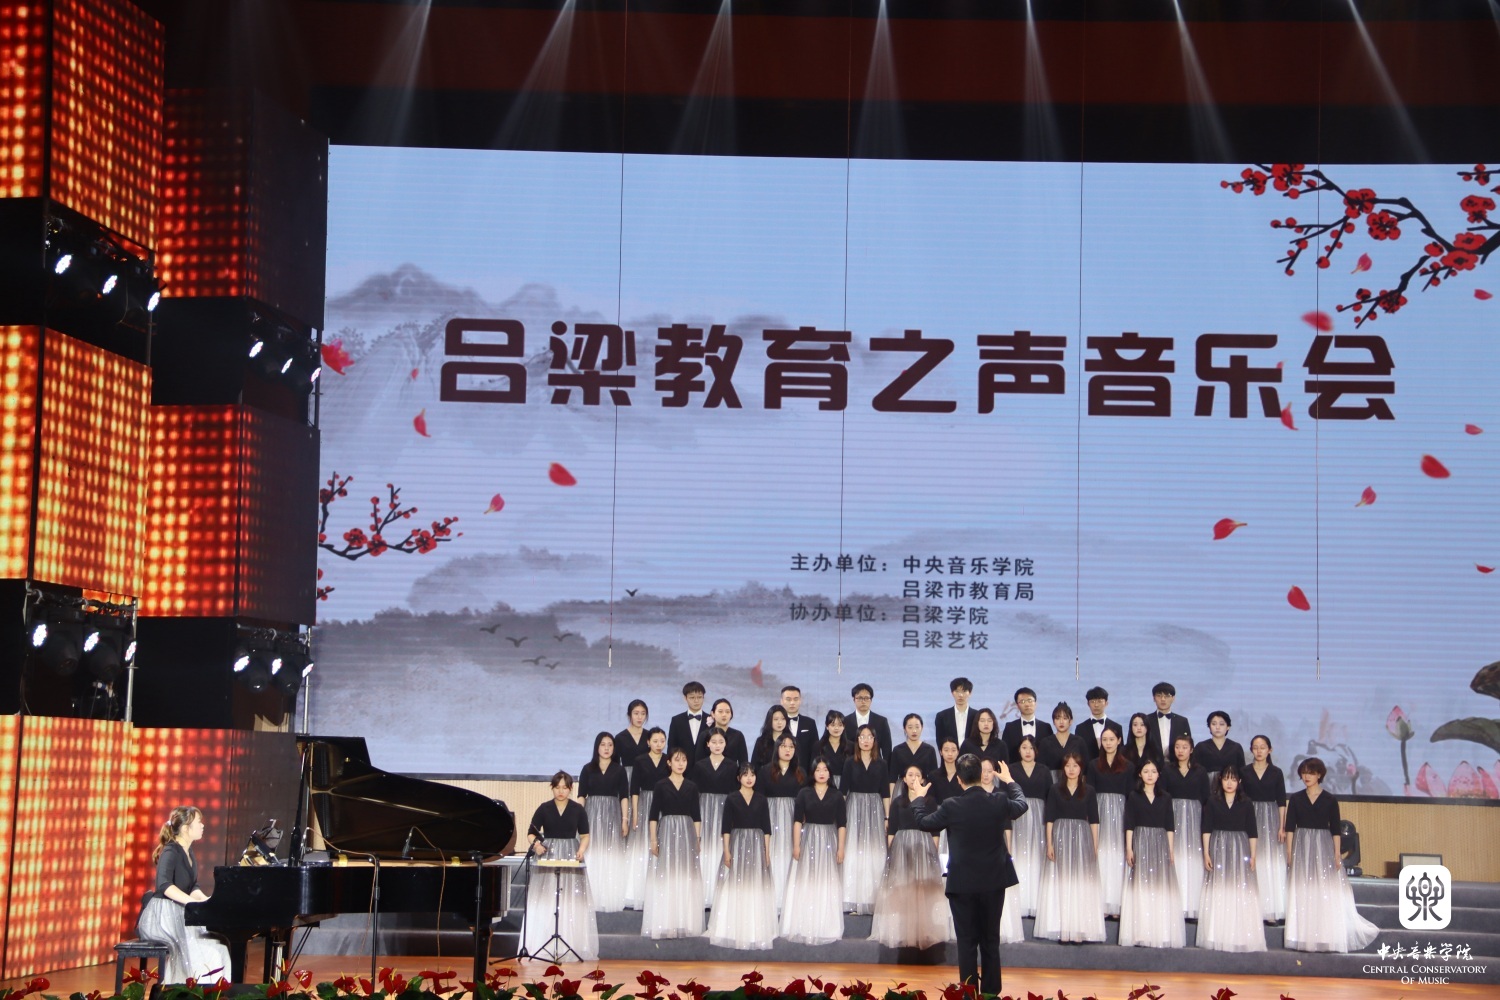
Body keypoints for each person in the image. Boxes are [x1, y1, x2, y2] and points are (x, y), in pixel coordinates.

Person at [912, 753, 1028, 994]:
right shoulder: (998, 800)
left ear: (959, 779)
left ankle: (968, 994)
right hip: (993, 882)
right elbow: (1021, 804)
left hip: (962, 884)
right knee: (990, 941)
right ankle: (991, 994)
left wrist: (919, 798)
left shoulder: (951, 805)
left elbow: (923, 822)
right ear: (980, 775)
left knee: (966, 943)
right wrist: (1010, 781)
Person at [1283, 757, 1379, 953]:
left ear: (1319, 775)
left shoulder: (1329, 799)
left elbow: (1335, 829)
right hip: (1302, 845)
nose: (1306, 776)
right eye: (1304, 772)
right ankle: (1303, 935)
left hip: (1323, 846)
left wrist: (1336, 853)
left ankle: (1325, 934)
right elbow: (1290, 828)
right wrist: (1289, 852)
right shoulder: (1296, 798)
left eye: (1311, 773)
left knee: (1323, 890)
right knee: (1303, 889)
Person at [136, 806, 233, 983]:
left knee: (220, 944)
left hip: (179, 911)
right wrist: (191, 903)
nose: (202, 825)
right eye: (199, 822)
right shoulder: (170, 851)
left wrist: (207, 901)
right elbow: (164, 885)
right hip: (163, 916)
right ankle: (187, 988)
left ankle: (216, 990)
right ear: (186, 828)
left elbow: (192, 886)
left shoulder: (189, 851)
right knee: (202, 950)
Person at [871, 763, 953, 948]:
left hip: (923, 846)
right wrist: (892, 852)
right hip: (902, 847)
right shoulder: (897, 802)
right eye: (910, 774)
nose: (913, 777)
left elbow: (935, 830)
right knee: (903, 888)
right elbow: (892, 830)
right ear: (904, 779)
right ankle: (903, 931)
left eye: (917, 774)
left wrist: (933, 849)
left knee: (922, 889)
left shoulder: (929, 802)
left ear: (923, 779)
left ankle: (923, 931)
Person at [523, 773, 599, 961]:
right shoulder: (544, 808)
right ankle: (543, 942)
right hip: (548, 853)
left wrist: (581, 850)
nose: (561, 791)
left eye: (565, 788)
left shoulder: (577, 809)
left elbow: (585, 835)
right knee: (546, 897)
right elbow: (531, 832)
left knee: (569, 897)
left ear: (570, 789)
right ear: (552, 788)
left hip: (570, 854)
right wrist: (537, 845)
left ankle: (570, 942)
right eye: (557, 787)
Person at [1033, 749, 1106, 944]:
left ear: (1081, 768)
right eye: (1068, 766)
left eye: (1075, 765)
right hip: (1060, 837)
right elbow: (1049, 819)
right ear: (1063, 769)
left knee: (1080, 883)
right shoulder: (1055, 789)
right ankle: (1063, 929)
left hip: (1082, 839)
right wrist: (1049, 844)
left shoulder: (1089, 790)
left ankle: (1079, 929)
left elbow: (1094, 821)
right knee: (1062, 883)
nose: (1071, 769)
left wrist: (1095, 845)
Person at [707, 763, 776, 950]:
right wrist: (727, 850)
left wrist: (767, 851)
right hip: (737, 844)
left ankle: (755, 930)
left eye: (752, 774)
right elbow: (726, 828)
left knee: (755, 884)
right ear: (739, 778)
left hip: (757, 845)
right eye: (745, 774)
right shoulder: (732, 798)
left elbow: (767, 828)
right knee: (735, 884)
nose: (749, 778)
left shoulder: (761, 799)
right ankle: (732, 929)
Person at [1197, 764, 1265, 953]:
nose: (1229, 783)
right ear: (1220, 780)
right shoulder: (1212, 801)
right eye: (1226, 778)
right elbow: (1206, 829)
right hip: (1218, 846)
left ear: (1239, 782)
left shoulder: (1246, 802)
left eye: (1233, 779)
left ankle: (1240, 935)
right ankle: (1217, 934)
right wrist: (1206, 852)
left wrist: (1253, 855)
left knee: (1239, 889)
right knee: (1219, 889)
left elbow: (1252, 831)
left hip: (1240, 847)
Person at [1118, 759, 1185, 948]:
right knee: (1141, 887)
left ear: (1158, 775)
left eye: (1153, 771)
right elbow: (1129, 824)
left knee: (1160, 886)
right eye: (1146, 771)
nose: (1150, 775)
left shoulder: (1166, 797)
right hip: (1140, 842)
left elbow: (1170, 825)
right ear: (1140, 774)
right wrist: (1129, 848)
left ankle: (1160, 933)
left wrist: (1170, 850)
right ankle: (1141, 933)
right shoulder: (1134, 796)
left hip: (1160, 844)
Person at [780, 757, 847, 944]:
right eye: (818, 770)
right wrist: (796, 845)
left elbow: (842, 824)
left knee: (827, 881)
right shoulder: (804, 793)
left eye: (825, 770)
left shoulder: (837, 795)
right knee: (807, 881)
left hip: (829, 840)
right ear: (812, 773)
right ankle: (805, 924)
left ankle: (827, 926)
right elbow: (796, 821)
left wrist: (841, 848)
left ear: (830, 773)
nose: (822, 773)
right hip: (808, 838)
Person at [642, 748, 703, 939]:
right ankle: (666, 923)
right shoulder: (660, 785)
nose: (680, 763)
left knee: (685, 876)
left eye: (684, 760)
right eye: (677, 760)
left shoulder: (692, 786)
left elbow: (697, 816)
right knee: (666, 875)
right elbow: (653, 816)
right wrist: (653, 839)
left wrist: (697, 839)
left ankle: (685, 922)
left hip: (687, 833)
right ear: (669, 763)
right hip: (667, 831)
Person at [577, 732, 631, 912]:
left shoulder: (619, 770)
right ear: (597, 747)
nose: (606, 748)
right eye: (603, 744)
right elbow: (581, 796)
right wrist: (578, 818)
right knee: (592, 852)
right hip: (591, 813)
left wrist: (624, 820)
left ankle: (609, 896)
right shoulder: (587, 769)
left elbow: (624, 797)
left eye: (610, 745)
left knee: (611, 854)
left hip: (613, 814)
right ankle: (591, 896)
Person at [840, 724, 890, 915]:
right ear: (857, 740)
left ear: (875, 740)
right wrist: (840, 815)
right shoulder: (849, 762)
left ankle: (872, 899)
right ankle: (852, 898)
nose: (866, 740)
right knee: (853, 850)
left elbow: (885, 792)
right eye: (862, 736)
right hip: (854, 808)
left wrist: (887, 816)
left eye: (870, 736)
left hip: (875, 809)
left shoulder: (882, 763)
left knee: (874, 852)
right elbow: (843, 791)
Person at [1087, 727, 1135, 917]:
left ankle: (1116, 904)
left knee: (1117, 856)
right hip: (1098, 812)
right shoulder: (1093, 764)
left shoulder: (1128, 766)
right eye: (1104, 739)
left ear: (1119, 740)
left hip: (1120, 812)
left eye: (1111, 739)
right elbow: (1089, 792)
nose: (1108, 743)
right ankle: (1100, 904)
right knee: (1100, 854)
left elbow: (1131, 794)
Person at [1241, 734, 1288, 925]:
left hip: (1271, 819)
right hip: (1249, 817)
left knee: (1270, 863)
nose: (1259, 751)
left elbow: (1281, 801)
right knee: (1252, 862)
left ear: (1270, 750)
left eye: (1262, 747)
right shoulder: (1244, 771)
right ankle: (1252, 910)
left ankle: (1271, 909)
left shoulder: (1276, 772)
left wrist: (1282, 826)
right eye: (1255, 747)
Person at [1161, 734, 1209, 920]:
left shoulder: (1200, 771)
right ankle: (1175, 905)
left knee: (1193, 859)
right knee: (1175, 858)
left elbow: (1206, 799)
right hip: (1173, 816)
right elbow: (1162, 796)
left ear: (1191, 749)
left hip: (1194, 818)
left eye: (1184, 747)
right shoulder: (1167, 770)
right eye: (1177, 747)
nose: (1180, 751)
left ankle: (1192, 906)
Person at [692, 729, 739, 905]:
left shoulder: (732, 766)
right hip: (704, 810)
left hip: (725, 810)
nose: (717, 745)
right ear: (707, 744)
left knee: (722, 848)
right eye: (714, 742)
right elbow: (694, 793)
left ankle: (720, 896)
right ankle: (703, 895)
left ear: (725, 744)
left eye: (721, 742)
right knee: (704, 849)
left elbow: (735, 793)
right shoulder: (699, 765)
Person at [624, 727, 669, 909]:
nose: (659, 744)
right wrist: (635, 813)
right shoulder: (640, 760)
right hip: (644, 805)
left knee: (661, 845)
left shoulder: (668, 760)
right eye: (655, 741)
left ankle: (658, 892)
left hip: (664, 805)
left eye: (662, 741)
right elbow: (634, 789)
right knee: (642, 846)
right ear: (648, 742)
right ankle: (637, 892)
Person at [758, 733, 804, 911]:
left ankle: (788, 902)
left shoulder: (800, 772)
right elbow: (759, 799)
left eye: (791, 747)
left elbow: (804, 800)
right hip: (770, 816)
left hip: (793, 819)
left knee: (790, 855)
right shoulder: (765, 771)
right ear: (777, 748)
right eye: (784, 746)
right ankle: (771, 900)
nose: (787, 750)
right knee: (771, 854)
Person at [1009, 735, 1051, 919]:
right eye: (1024, 747)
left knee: (1036, 856)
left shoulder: (1044, 770)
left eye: (1031, 748)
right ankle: (1018, 904)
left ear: (1036, 751)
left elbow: (1050, 797)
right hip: (1017, 816)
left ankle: (1035, 903)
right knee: (1018, 855)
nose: (1028, 751)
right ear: (1019, 750)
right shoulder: (1011, 769)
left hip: (1039, 817)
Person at [1193, 711, 1246, 784]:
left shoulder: (1236, 747)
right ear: (1209, 727)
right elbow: (1194, 772)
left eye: (1221, 724)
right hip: (1206, 786)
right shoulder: (1201, 747)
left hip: (1230, 786)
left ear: (1228, 727)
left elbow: (1242, 773)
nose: (1217, 727)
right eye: (1213, 724)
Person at [1001, 687, 1052, 763]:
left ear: (1035, 703)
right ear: (1017, 705)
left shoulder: (1046, 727)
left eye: (1030, 700)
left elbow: (1049, 753)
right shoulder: (1010, 727)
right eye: (1022, 701)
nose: (1027, 704)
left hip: (1041, 769)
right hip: (1015, 769)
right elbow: (1005, 753)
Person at [1145, 682, 1192, 762]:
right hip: (1151, 764)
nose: (1163, 699)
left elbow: (1188, 744)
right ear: (1153, 698)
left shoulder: (1182, 721)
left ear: (1173, 698)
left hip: (1176, 764)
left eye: (1167, 696)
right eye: (1159, 696)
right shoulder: (1146, 720)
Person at [667, 681, 712, 766]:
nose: (696, 701)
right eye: (692, 697)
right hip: (682, 768)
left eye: (699, 697)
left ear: (703, 697)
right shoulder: (676, 720)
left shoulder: (711, 720)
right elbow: (671, 747)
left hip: (706, 768)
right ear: (685, 698)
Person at [889, 713, 939, 788]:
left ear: (922, 728)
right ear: (904, 729)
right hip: (902, 789)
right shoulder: (897, 750)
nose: (914, 731)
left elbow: (934, 777)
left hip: (924, 789)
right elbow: (892, 778)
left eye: (917, 727)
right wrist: (892, 795)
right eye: (910, 727)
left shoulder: (929, 750)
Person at [1077, 686, 1125, 762]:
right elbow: (1079, 754)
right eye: (1092, 701)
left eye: (1099, 701)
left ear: (1106, 703)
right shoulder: (1080, 728)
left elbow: (1120, 752)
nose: (1096, 705)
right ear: (1088, 704)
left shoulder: (1116, 727)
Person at [1035, 702, 1086, 772]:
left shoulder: (1079, 741)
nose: (1061, 722)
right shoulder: (1045, 742)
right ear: (1053, 721)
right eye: (1057, 718)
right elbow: (1040, 768)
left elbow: (1085, 767)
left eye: (1065, 718)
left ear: (1071, 721)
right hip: (1051, 778)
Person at [849, 682, 894, 760]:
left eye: (866, 698)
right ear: (853, 699)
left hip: (876, 764)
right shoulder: (846, 722)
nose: (863, 701)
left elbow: (887, 749)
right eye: (859, 698)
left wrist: (885, 766)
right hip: (852, 764)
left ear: (871, 700)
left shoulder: (881, 721)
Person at [781, 685, 820, 770]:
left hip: (804, 771)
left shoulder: (810, 723)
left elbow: (815, 750)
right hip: (780, 773)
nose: (792, 703)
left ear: (800, 701)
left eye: (795, 699)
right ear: (781, 701)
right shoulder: (777, 724)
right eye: (788, 699)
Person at [935, 676, 978, 749]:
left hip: (972, 755)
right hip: (950, 755)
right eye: (957, 691)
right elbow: (940, 740)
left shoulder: (977, 715)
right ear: (952, 693)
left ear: (970, 693)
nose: (960, 695)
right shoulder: (942, 716)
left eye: (964, 691)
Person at [615, 699, 650, 784]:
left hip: (647, 777)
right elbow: (615, 764)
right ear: (629, 715)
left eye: (643, 714)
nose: (640, 717)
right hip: (627, 778)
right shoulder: (620, 737)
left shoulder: (650, 736)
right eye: (636, 713)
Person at [709, 697, 750, 765]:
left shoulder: (738, 736)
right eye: (720, 711)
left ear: (731, 714)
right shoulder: (705, 735)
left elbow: (743, 763)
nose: (724, 715)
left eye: (727, 712)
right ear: (713, 714)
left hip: (732, 771)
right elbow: (699, 762)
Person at [751, 704, 790, 769]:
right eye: (776, 719)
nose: (780, 722)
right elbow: (755, 765)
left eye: (783, 719)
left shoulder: (792, 741)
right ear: (769, 721)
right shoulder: (761, 741)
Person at [818, 709, 853, 780]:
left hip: (845, 782)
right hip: (824, 782)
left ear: (844, 727)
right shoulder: (818, 745)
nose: (836, 728)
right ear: (827, 726)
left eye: (840, 725)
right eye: (833, 725)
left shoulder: (851, 746)